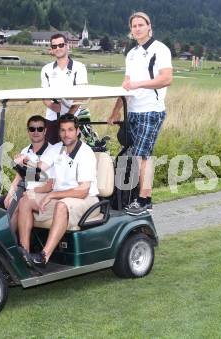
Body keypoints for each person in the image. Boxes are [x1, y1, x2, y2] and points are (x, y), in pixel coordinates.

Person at [107, 11, 173, 215]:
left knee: (141, 156)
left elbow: (166, 79)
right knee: (137, 157)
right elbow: (127, 86)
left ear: (149, 26)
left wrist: (138, 84)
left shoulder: (160, 49)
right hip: (133, 111)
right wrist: (115, 111)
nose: (137, 29)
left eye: (140, 25)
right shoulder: (132, 54)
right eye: (134, 26)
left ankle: (145, 200)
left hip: (151, 110)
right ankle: (138, 198)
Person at [17, 114, 99, 267]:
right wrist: (24, 162)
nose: (66, 134)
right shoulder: (56, 149)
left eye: (70, 130)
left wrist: (53, 194)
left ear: (77, 131)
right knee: (25, 200)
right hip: (61, 198)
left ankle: (43, 256)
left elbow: (83, 191)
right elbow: (39, 168)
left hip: (86, 199)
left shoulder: (85, 153)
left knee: (62, 205)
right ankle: (24, 254)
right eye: (62, 130)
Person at [3, 115, 58, 231]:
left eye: (40, 129)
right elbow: (19, 177)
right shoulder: (25, 150)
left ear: (45, 131)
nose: (36, 132)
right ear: (28, 131)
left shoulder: (52, 151)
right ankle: (7, 241)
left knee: (16, 204)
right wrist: (10, 194)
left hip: (41, 193)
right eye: (32, 129)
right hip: (24, 190)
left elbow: (47, 182)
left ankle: (9, 243)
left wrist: (24, 161)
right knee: (1, 202)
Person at [41, 33, 88, 144]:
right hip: (52, 119)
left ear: (67, 46)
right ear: (51, 49)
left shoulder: (79, 67)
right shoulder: (46, 69)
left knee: (70, 153)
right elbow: (44, 95)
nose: (58, 48)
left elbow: (83, 95)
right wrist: (52, 105)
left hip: (72, 120)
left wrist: (69, 115)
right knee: (50, 153)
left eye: (61, 45)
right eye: (54, 46)